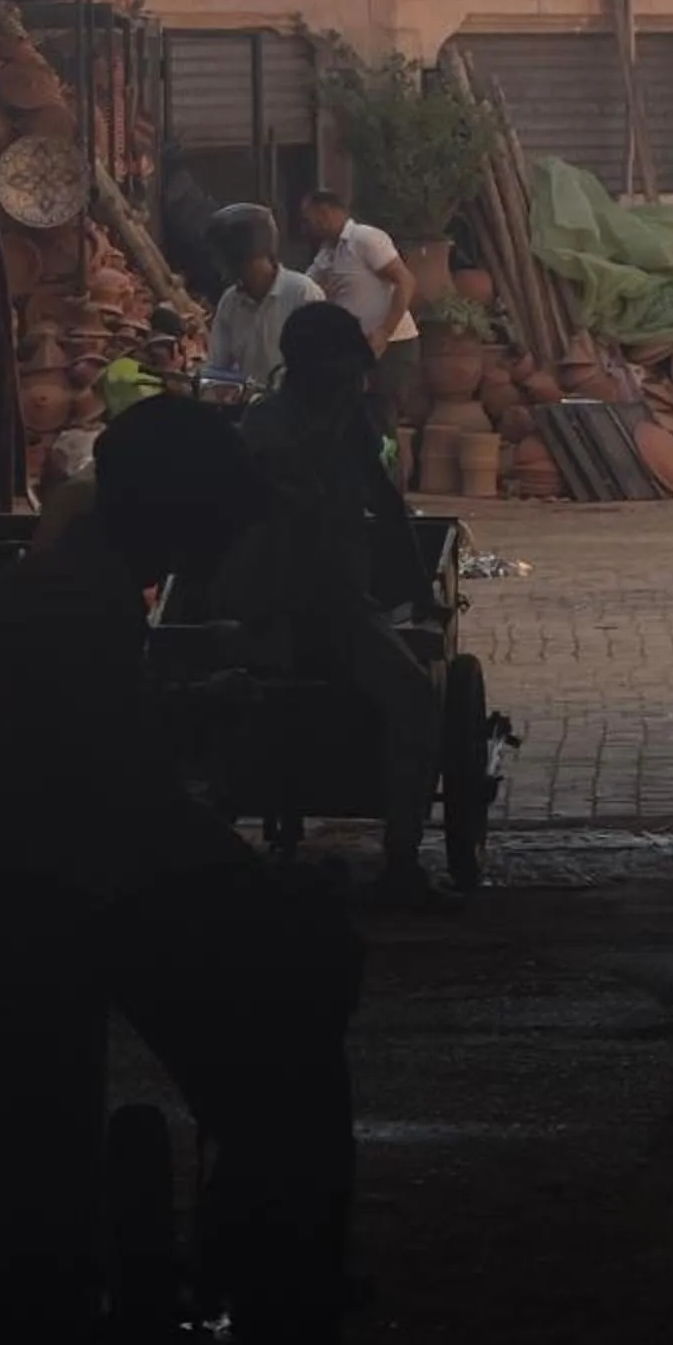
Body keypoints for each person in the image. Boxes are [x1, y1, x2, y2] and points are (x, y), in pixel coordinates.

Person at [0, 394, 365, 1345]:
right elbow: (133, 809)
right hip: (27, 905)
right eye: (216, 515)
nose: (227, 536)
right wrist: (263, 884)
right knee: (288, 1061)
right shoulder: (77, 604)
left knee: (275, 1001)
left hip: (18, 883)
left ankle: (255, 1281)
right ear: (177, 514)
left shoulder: (66, 587)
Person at [220, 300, 446, 906]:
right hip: (283, 602)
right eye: (347, 368)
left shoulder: (350, 425)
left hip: (342, 600)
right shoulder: (268, 428)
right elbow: (282, 512)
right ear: (314, 367)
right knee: (413, 699)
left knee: (412, 699)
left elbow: (384, 502)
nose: (357, 380)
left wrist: (420, 587)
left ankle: (401, 859)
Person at [300, 188, 422, 434]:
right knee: (355, 424)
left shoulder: (365, 239)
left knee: (382, 422)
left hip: (391, 346)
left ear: (323, 213)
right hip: (355, 352)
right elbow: (304, 289)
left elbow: (406, 280)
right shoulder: (327, 253)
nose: (306, 226)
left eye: (307, 218)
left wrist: (384, 333)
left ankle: (390, 471)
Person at [205, 202, 322, 393]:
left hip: (299, 409)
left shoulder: (302, 293)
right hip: (250, 410)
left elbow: (320, 364)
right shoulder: (230, 302)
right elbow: (217, 367)